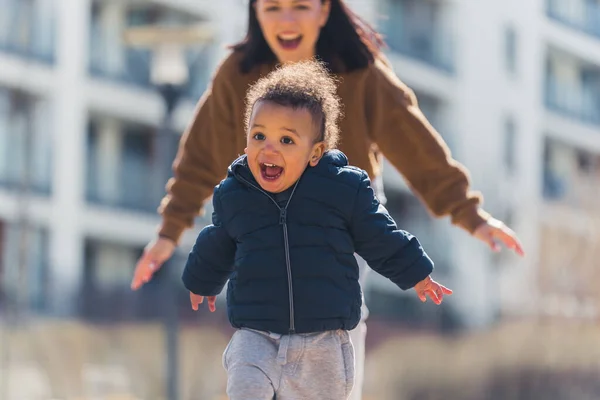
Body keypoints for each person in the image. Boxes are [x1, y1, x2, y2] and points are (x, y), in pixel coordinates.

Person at [130, 1, 524, 398]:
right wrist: (169, 233)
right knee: (261, 315)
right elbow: (199, 157)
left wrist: (470, 214)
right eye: (272, 8)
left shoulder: (359, 70)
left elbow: (414, 143)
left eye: (300, 6)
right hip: (262, 208)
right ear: (256, 13)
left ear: (323, 11)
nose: (286, 20)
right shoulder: (239, 74)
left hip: (344, 210)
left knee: (334, 314)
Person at [182, 59, 452, 400]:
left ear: (315, 153)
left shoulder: (342, 190)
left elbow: (379, 235)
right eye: (259, 135)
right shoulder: (235, 193)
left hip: (323, 342)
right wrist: (202, 280)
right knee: (245, 384)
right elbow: (217, 241)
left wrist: (416, 272)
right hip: (257, 333)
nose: (269, 148)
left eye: (286, 140)